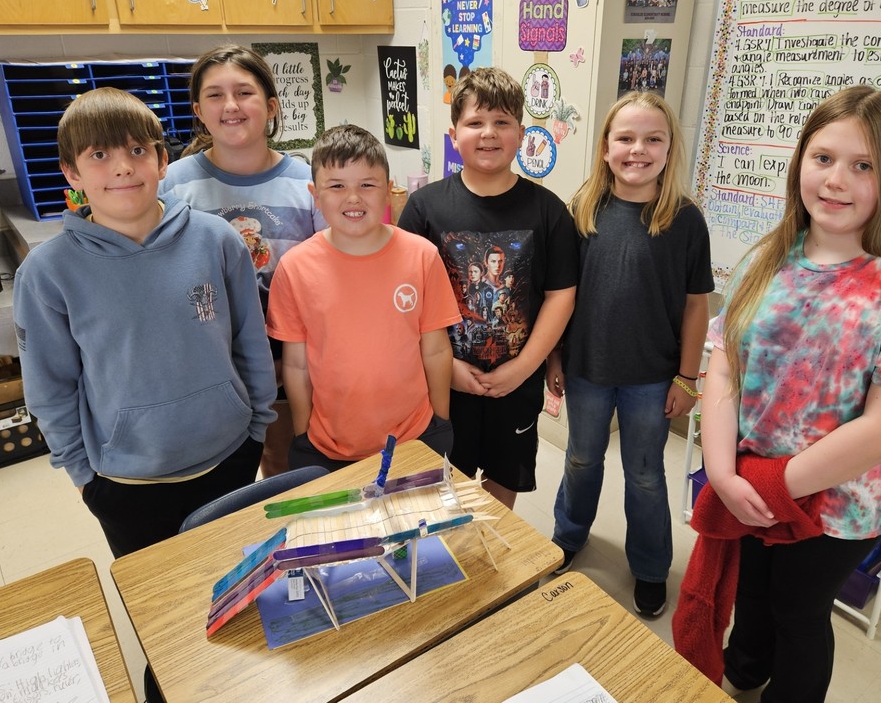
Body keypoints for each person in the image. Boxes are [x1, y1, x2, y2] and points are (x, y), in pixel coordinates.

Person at [680, 85, 881, 702]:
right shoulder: (772, 255)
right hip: (747, 479)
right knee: (751, 595)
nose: (836, 180)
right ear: (800, 159)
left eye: (863, 167)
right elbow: (724, 363)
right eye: (823, 158)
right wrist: (723, 473)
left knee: (797, 615)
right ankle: (743, 672)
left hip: (833, 509)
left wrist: (772, 486)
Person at [13, 87, 277, 558]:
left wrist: (256, 427)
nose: (122, 167)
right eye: (99, 154)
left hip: (232, 456)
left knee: (245, 587)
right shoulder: (47, 272)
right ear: (71, 172)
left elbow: (249, 342)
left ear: (160, 160)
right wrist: (83, 477)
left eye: (138, 150)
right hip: (126, 481)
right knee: (167, 614)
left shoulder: (217, 239)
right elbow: (50, 388)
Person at [547, 91, 713, 618]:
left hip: (652, 378)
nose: (637, 149)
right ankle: (567, 537)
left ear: (669, 149)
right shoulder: (583, 210)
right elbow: (561, 296)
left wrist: (688, 379)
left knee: (645, 474)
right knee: (580, 458)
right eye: (625, 138)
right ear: (605, 147)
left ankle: (649, 567)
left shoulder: (685, 220)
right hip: (587, 371)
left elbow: (695, 309)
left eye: (652, 139)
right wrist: (553, 357)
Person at [399, 67, 578, 510]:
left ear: (521, 132)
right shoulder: (425, 207)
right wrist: (447, 367)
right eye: (475, 122)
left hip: (517, 380)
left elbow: (561, 295)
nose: (489, 134)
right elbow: (408, 297)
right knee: (442, 483)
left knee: (504, 479)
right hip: (442, 379)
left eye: (502, 122)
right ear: (453, 133)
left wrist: (523, 368)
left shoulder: (549, 211)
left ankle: (496, 555)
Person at [162, 44, 325, 478]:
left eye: (244, 93)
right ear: (198, 110)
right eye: (215, 95)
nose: (230, 106)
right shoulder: (175, 184)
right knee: (222, 482)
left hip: (290, 359)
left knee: (285, 471)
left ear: (271, 106)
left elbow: (329, 275)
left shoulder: (306, 181)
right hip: (209, 362)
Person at [266, 124, 461, 471]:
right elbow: (296, 365)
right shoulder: (295, 268)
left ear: (388, 190)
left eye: (367, 185)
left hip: (415, 436)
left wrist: (441, 423)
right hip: (327, 447)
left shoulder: (422, 256)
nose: (353, 198)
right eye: (336, 186)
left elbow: (435, 348)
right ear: (315, 194)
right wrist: (302, 434)